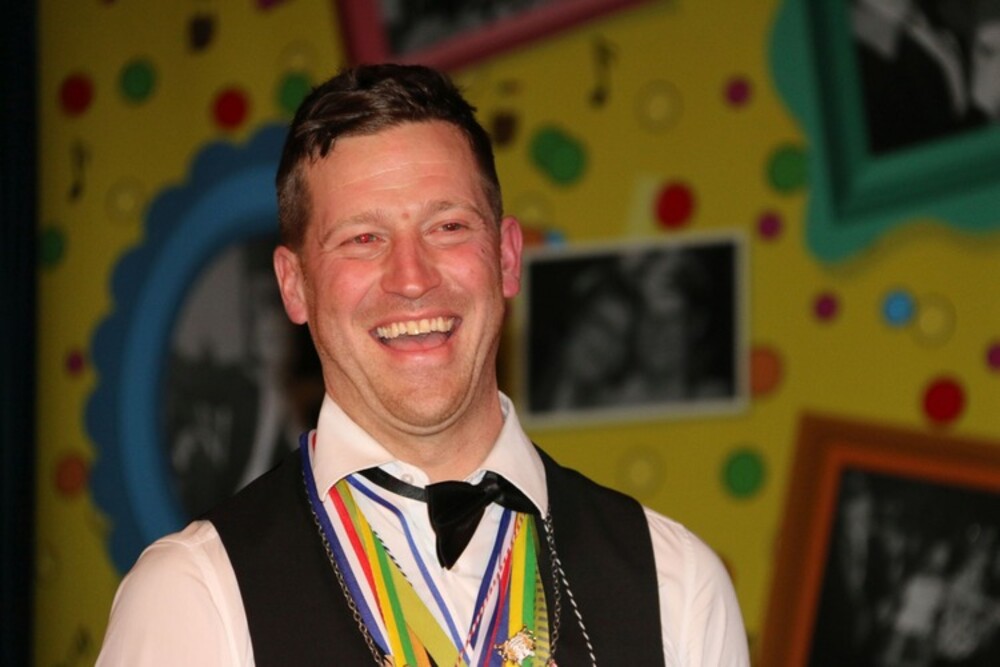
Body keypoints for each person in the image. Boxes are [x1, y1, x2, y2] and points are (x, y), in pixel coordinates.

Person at [96, 63, 749, 666]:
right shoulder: (194, 594)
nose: (411, 278)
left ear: (506, 257)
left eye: (448, 227)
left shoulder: (677, 584)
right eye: (363, 238)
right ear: (294, 286)